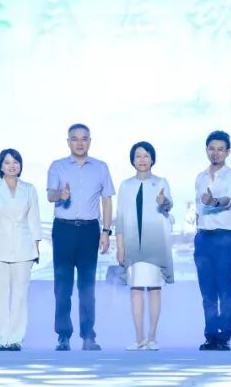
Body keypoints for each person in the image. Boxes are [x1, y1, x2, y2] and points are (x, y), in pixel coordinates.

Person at [46, 123, 115, 351]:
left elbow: (107, 200)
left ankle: (88, 336)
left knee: (87, 286)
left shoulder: (101, 167)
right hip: (64, 229)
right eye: (74, 139)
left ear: (90, 141)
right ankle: (63, 336)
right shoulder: (57, 166)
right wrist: (61, 194)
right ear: (68, 142)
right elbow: (50, 195)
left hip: (89, 230)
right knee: (62, 285)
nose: (79, 143)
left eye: (84, 138)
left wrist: (106, 231)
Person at [115, 141, 174, 351]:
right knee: (136, 289)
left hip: (155, 243)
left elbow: (168, 206)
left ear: (152, 159)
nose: (142, 159)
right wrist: (120, 247)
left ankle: (152, 337)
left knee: (155, 289)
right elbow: (120, 218)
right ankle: (139, 337)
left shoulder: (161, 182)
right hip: (132, 244)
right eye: (138, 156)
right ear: (132, 160)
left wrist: (163, 201)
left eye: (146, 155)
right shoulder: (125, 185)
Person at [0, 148, 42, 351]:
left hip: (24, 248)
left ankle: (16, 338)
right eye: (7, 162)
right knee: (0, 295)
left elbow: (34, 219)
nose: (11, 165)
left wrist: (36, 248)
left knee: (20, 296)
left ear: (20, 165)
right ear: (0, 166)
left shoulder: (29, 189)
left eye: (15, 162)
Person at [193, 129, 231, 351]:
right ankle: (211, 334)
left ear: (228, 152)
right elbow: (198, 210)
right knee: (207, 290)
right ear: (206, 150)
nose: (216, 153)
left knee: (224, 289)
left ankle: (225, 335)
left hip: (224, 236)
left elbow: (228, 199)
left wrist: (214, 201)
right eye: (212, 149)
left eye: (220, 149)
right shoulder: (200, 177)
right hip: (203, 237)